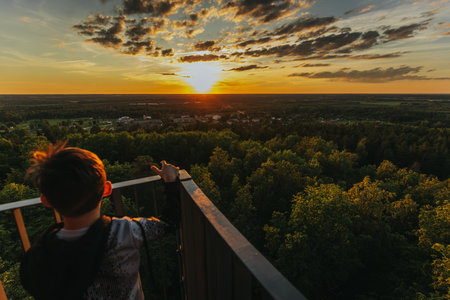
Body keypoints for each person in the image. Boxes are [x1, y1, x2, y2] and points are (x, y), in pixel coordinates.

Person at [20, 141, 180, 300]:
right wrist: (170, 181)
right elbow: (169, 221)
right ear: (107, 189)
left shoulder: (39, 255)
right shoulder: (126, 232)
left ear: (46, 200)